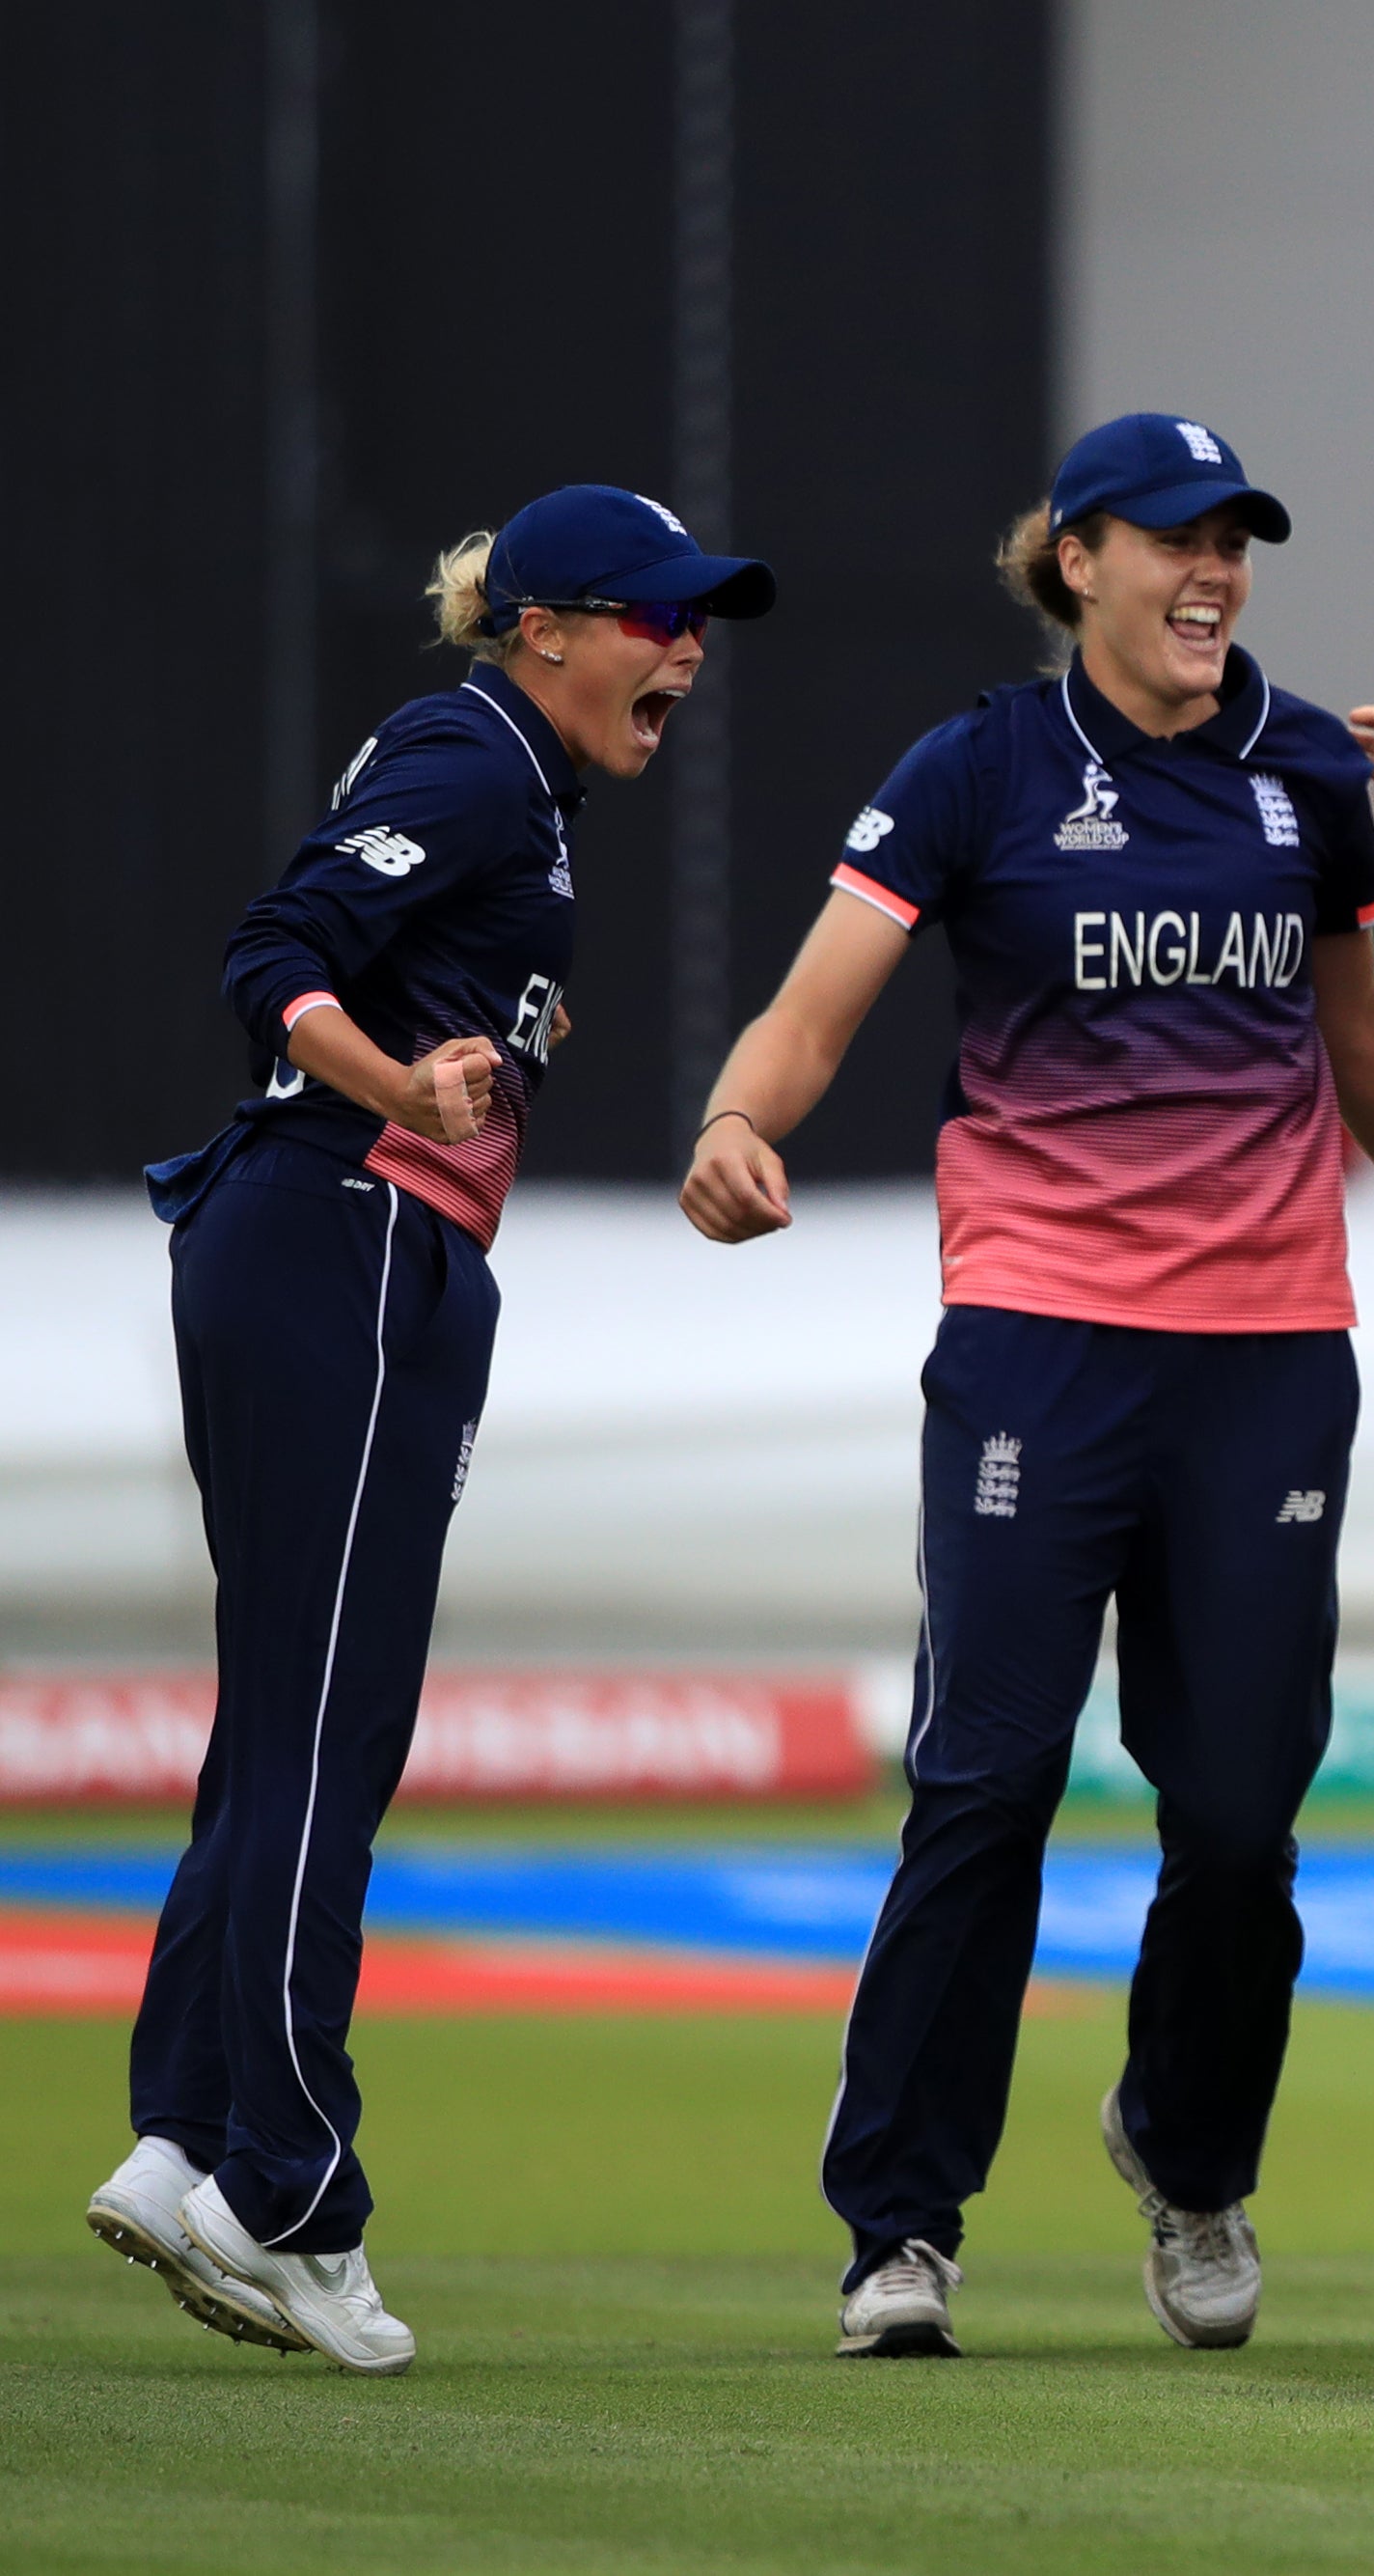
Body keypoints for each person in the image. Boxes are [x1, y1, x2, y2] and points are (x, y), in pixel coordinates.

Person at [679, 413, 1374, 2360]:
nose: (1212, 571)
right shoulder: (976, 767)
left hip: (1266, 1359)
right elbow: (821, 999)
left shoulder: (1307, 763)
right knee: (980, 1779)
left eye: (1235, 540)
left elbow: (1362, 1038)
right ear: (1078, 558)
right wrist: (740, 1120)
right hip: (1041, 1343)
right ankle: (901, 2223)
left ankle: (1188, 2151)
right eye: (1173, 539)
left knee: (1237, 1815)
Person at [89, 487, 773, 2375]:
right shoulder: (475, 755)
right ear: (545, 623)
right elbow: (273, 945)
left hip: (344, 1238)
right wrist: (401, 1079)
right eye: (657, 617)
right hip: (346, 1221)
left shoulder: (513, 782)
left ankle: (189, 2134)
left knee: (293, 1706)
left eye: (699, 620)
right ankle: (290, 2192)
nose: (687, 651)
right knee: (331, 1718)